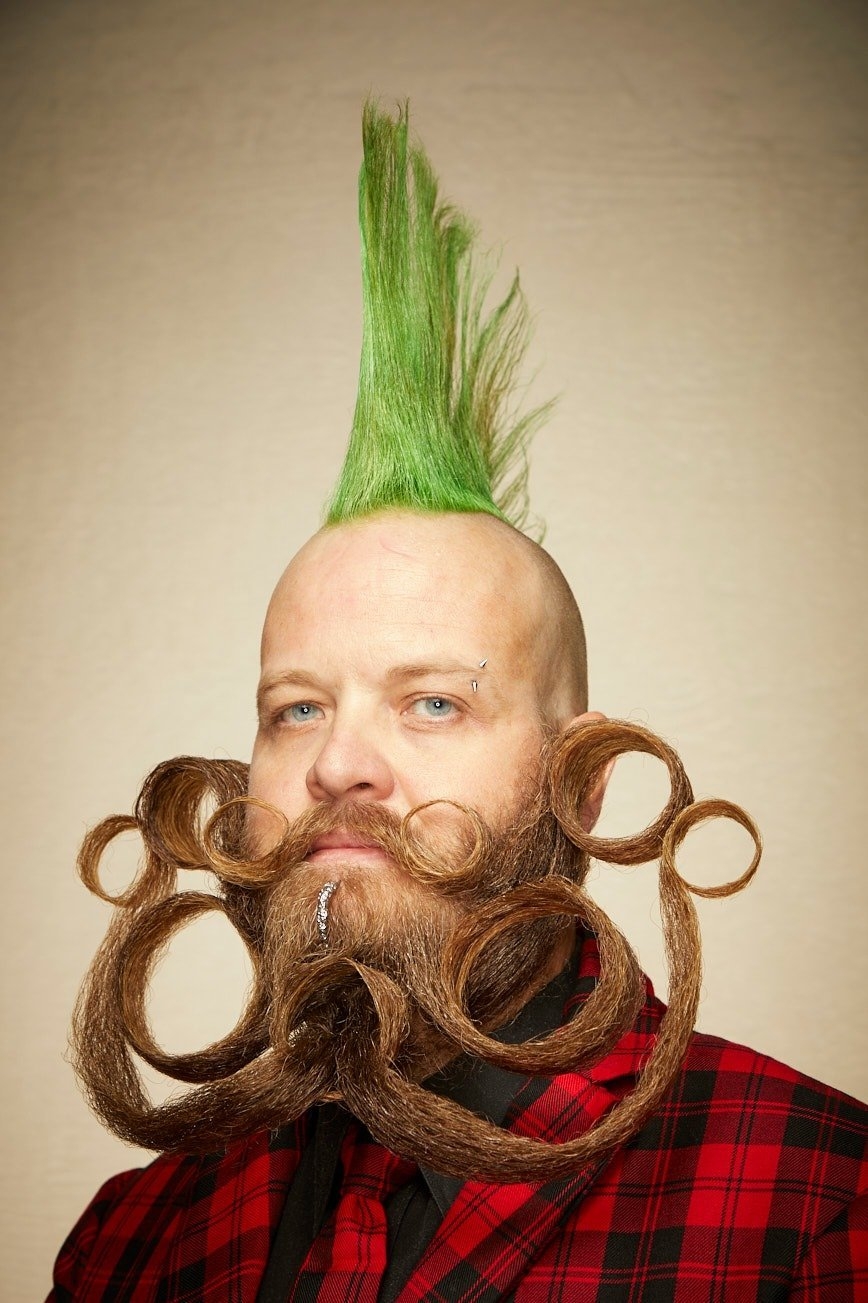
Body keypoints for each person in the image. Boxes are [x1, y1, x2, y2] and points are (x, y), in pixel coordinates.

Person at [50, 103, 867, 1302]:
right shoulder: (131, 1241)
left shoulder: (816, 1205)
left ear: (585, 779)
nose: (338, 764)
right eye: (295, 708)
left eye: (431, 703)